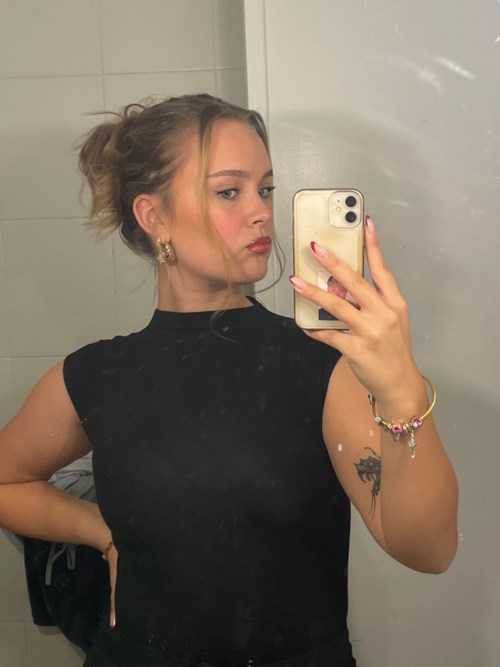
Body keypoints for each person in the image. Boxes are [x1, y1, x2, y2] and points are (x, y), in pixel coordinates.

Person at [0, 94, 458, 667]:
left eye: (265, 189)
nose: (262, 212)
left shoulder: (321, 362)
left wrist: (401, 392)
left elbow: (429, 550)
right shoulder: (93, 374)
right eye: (228, 191)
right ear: (153, 216)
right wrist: (100, 531)